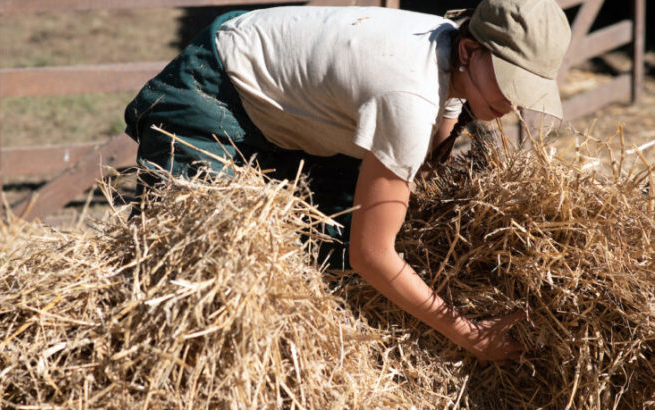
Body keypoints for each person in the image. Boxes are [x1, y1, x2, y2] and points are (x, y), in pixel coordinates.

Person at [124, 0, 571, 362]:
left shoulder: (446, 45)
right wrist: (470, 335)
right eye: (512, 80)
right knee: (201, 280)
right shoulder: (407, 95)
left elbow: (437, 133)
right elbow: (372, 256)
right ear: (471, 51)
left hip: (290, 100)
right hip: (215, 85)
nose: (514, 101)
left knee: (330, 247)